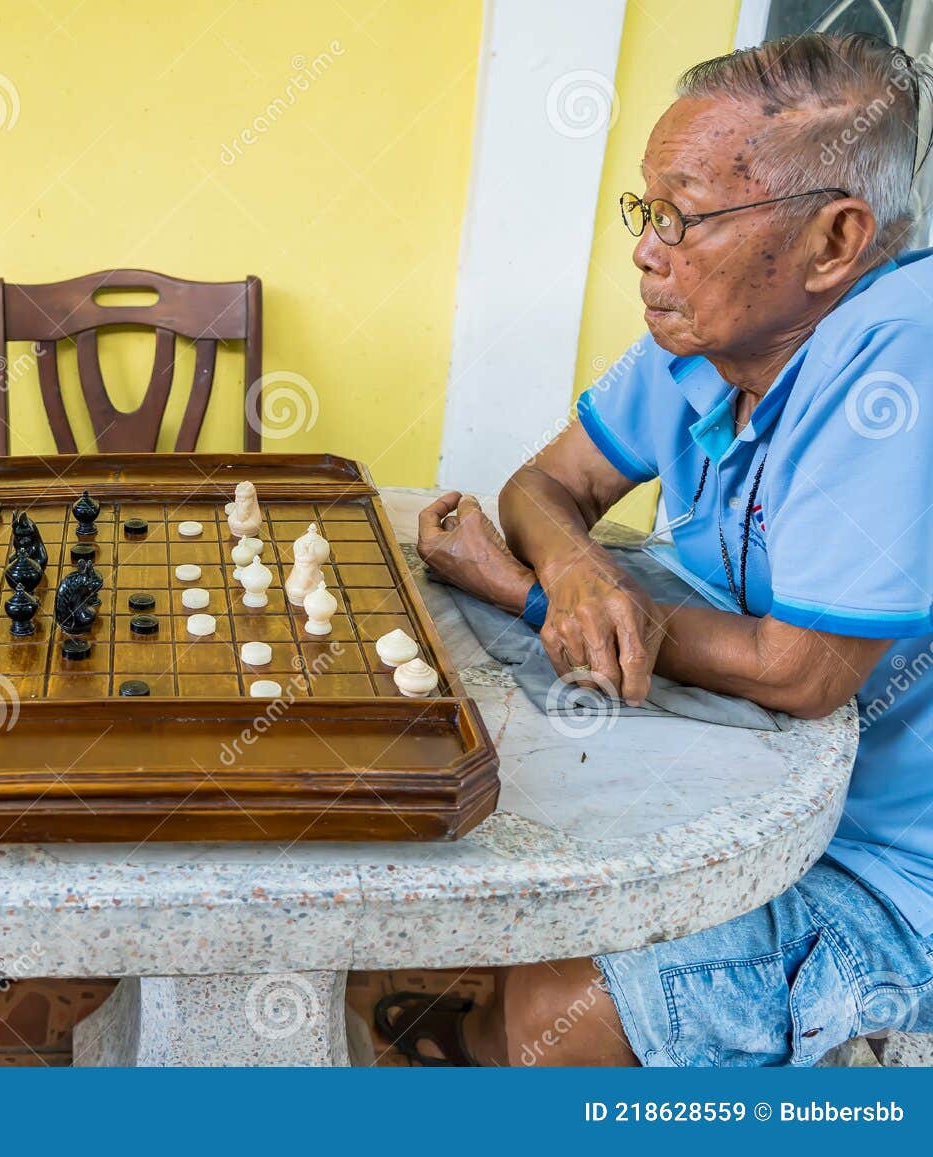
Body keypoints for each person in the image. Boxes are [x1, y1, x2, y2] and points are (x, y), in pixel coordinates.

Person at [400, 32, 933, 1066]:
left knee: (567, 996)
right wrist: (574, 567)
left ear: (834, 241)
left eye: (685, 218)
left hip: (881, 866)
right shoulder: (713, 335)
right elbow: (541, 484)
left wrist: (522, 586)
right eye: (648, 212)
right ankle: (470, 1045)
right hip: (742, 785)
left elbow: (803, 669)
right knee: (497, 812)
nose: (647, 250)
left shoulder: (900, 365)